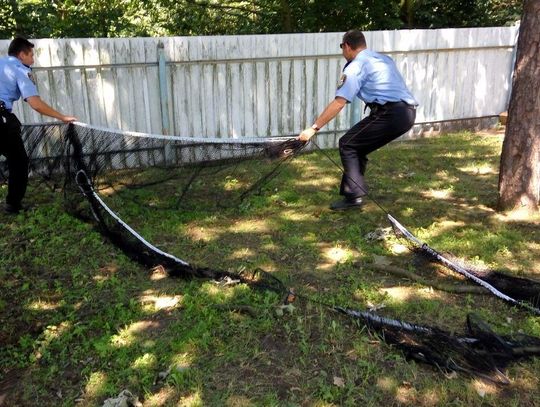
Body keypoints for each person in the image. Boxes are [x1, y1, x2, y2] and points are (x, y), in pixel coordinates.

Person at [298, 30, 418, 210]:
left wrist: (313, 128)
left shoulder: (356, 66)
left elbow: (339, 102)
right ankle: (354, 192)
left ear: (347, 46)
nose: (342, 51)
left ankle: (353, 197)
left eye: (341, 47)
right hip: (407, 113)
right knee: (356, 146)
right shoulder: (383, 59)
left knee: (347, 144)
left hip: (390, 114)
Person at [0, 37, 77, 214]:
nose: (33, 60)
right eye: (31, 55)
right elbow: (35, 104)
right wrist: (62, 116)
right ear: (21, 55)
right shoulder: (20, 69)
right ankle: (13, 205)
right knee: (19, 161)